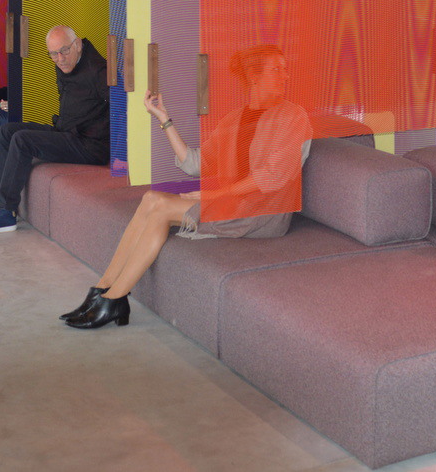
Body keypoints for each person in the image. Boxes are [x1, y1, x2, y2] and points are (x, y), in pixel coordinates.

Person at [61, 45, 312, 329]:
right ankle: (103, 289)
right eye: (277, 70)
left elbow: (273, 176)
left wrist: (213, 194)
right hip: (231, 204)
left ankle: (115, 299)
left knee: (160, 209)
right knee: (151, 198)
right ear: (254, 77)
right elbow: (196, 163)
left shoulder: (294, 117)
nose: (285, 76)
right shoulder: (234, 120)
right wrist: (164, 119)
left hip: (263, 213)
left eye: (284, 70)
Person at [0, 25, 108, 234]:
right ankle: (0, 204)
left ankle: (6, 212)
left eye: (64, 51)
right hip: (67, 132)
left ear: (77, 44)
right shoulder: (66, 62)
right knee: (7, 132)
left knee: (22, 140)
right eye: (53, 54)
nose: (60, 59)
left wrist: (121, 155)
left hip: (89, 144)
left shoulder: (99, 71)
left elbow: (123, 108)